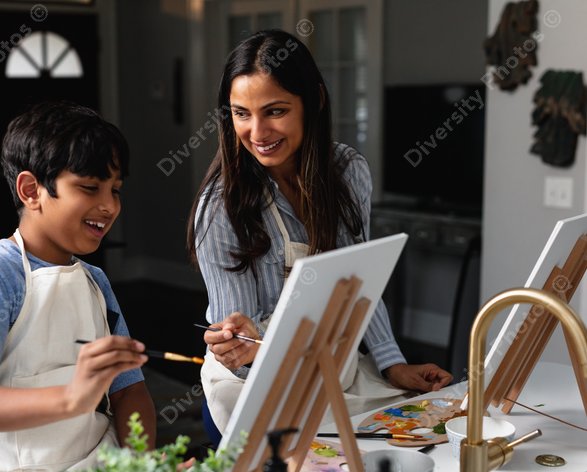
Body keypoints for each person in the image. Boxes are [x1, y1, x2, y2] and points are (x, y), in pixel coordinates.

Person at [187, 30, 453, 443]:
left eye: (274, 111)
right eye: (241, 113)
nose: (257, 132)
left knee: (416, 436)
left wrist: (392, 363)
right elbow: (239, 355)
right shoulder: (221, 206)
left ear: (315, 101)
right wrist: (248, 344)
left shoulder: (347, 172)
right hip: (256, 384)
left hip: (333, 363)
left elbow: (362, 284)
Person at [0, 101, 156, 472]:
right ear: (31, 190)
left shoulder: (95, 282)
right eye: (89, 187)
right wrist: (71, 397)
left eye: (115, 190)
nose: (109, 205)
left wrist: (142, 470)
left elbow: (129, 391)